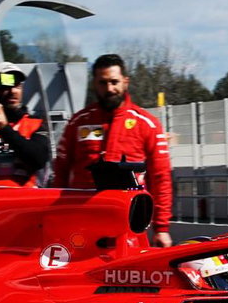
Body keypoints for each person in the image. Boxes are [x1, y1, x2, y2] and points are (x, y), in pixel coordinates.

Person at [54, 53, 174, 246]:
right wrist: (58, 217)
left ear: (125, 82)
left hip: (129, 223)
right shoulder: (78, 122)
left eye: (114, 82)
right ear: (95, 84)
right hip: (82, 222)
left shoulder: (147, 124)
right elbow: (60, 172)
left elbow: (161, 177)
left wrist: (161, 228)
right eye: (102, 83)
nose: (109, 89)